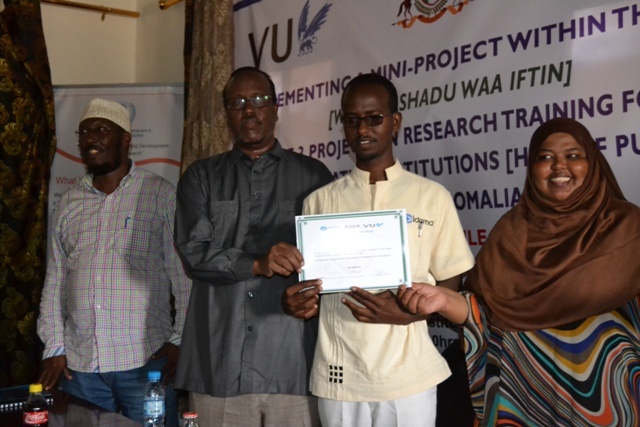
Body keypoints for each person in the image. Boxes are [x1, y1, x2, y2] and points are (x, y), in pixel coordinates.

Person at [397, 117, 640, 427]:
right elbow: (483, 316)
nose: (559, 166)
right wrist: (443, 300)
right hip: (522, 402)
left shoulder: (629, 229)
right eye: (545, 157)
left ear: (593, 164)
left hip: (609, 405)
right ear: (531, 169)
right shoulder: (510, 234)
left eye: (573, 155)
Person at [282, 73, 475, 427]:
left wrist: (410, 313)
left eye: (373, 118)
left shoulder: (431, 197)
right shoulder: (319, 202)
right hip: (340, 373)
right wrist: (298, 303)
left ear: (395, 122)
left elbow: (451, 283)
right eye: (352, 120)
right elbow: (313, 290)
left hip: (409, 375)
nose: (362, 129)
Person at [173, 66, 334, 427]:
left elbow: (330, 259)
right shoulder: (200, 177)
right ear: (226, 113)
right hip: (219, 362)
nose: (249, 110)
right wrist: (256, 263)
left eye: (259, 100)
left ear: (276, 108)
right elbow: (193, 251)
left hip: (293, 362)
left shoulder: (314, 176)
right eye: (238, 102)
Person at [37, 98, 191, 427]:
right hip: (80, 368)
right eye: (84, 132)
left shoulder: (159, 194)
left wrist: (180, 340)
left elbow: (183, 278)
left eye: (102, 129)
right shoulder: (69, 203)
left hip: (145, 364)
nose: (91, 138)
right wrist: (55, 347)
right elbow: (55, 281)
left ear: (125, 139)